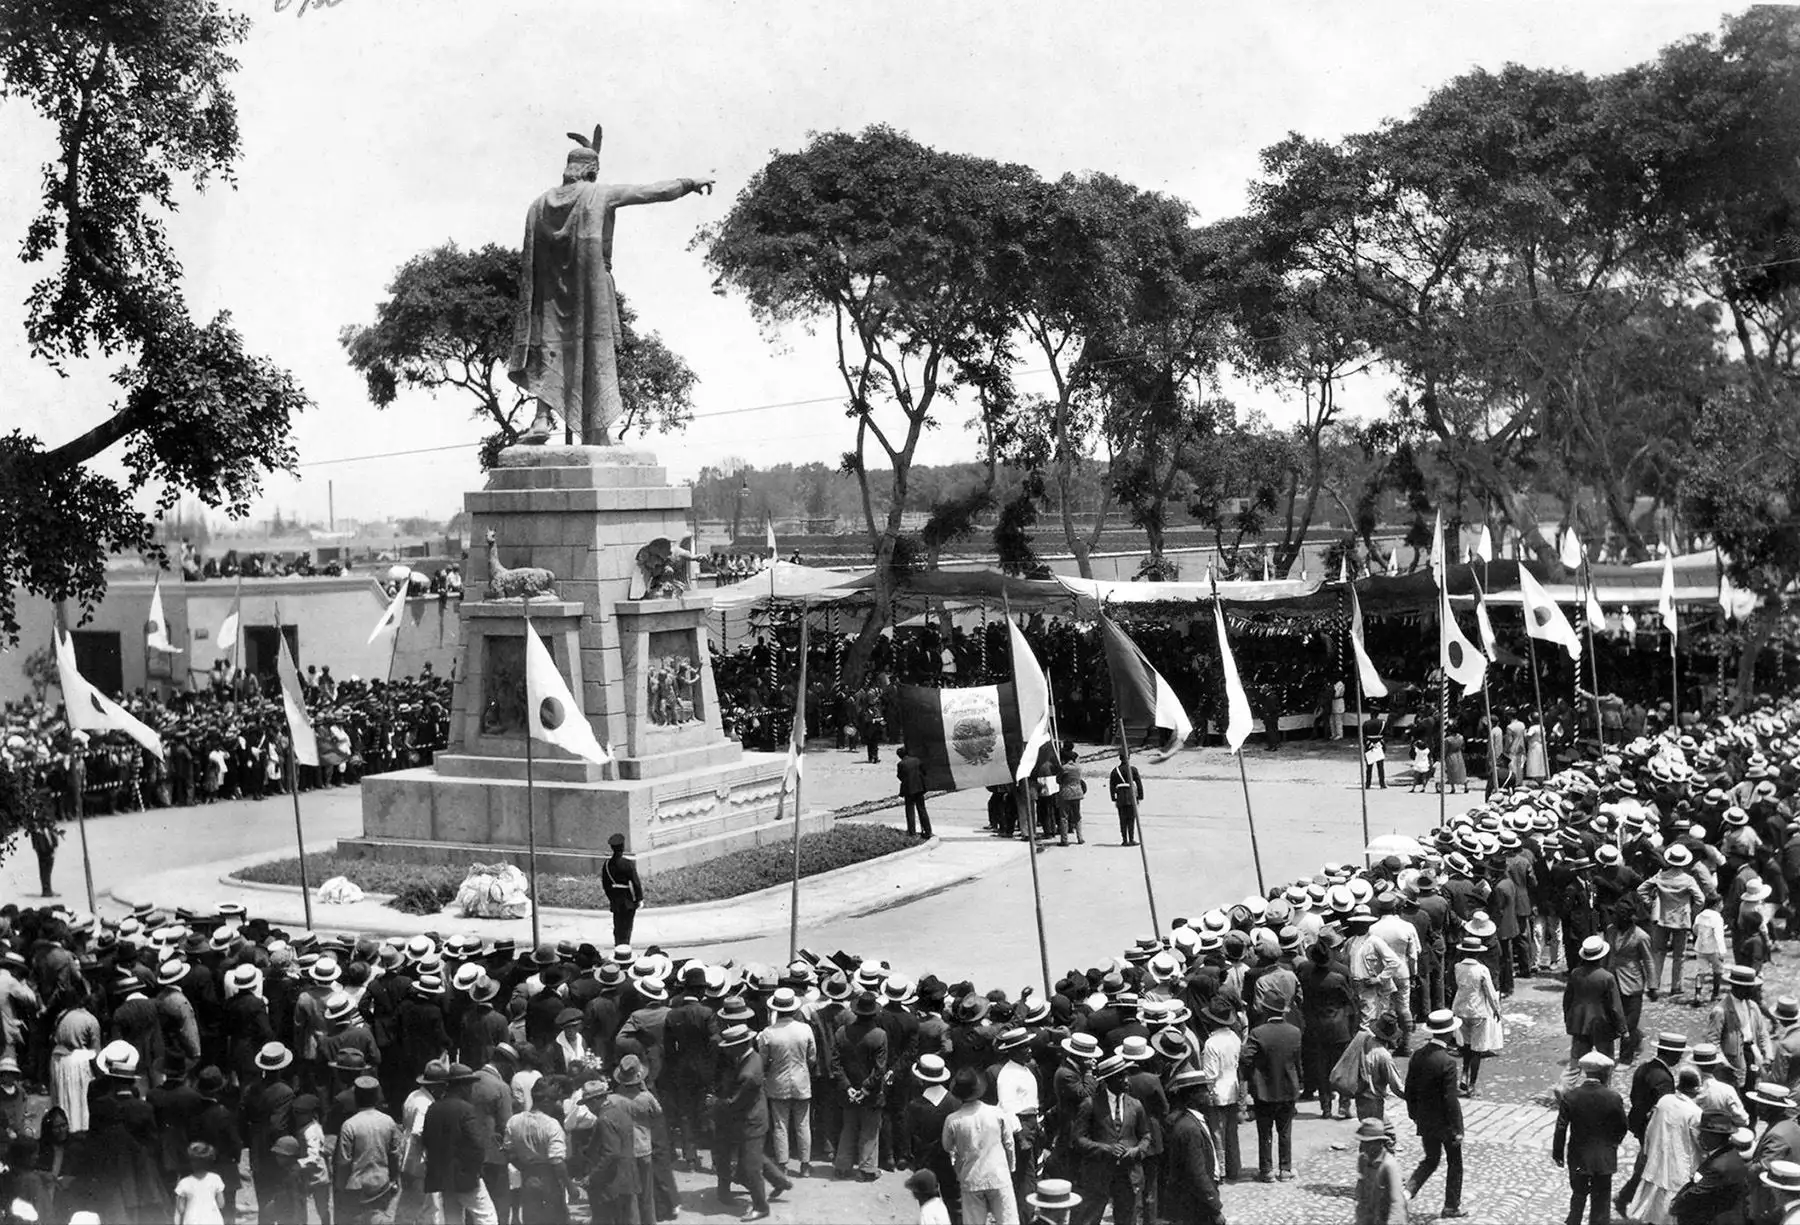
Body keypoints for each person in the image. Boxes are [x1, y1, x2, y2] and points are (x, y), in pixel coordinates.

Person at [507, 130, 713, 445]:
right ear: (592, 172)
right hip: (587, 291)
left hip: (549, 294)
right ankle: (595, 429)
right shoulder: (599, 194)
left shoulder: (538, 205)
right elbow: (649, 191)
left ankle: (541, 418)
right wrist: (688, 184)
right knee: (591, 349)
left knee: (551, 346)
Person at [1553, 1051, 1628, 1225]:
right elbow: (1622, 1126)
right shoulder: (1613, 1097)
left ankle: (1574, 1221)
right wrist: (1614, 1144)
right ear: (1604, 1073)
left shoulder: (1571, 1096)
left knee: (1578, 1195)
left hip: (1579, 1156)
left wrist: (1558, 1153)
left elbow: (1561, 1127)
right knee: (1601, 1200)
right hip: (1604, 1158)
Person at [1069, 1056, 1145, 1225]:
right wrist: (1104, 1148)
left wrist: (1136, 1150)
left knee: (1128, 1218)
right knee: (1088, 1218)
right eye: (1120, 1077)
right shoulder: (1090, 1104)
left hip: (1127, 1174)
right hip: (1098, 1173)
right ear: (1108, 1081)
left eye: (1126, 1075)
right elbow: (1078, 1139)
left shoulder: (1136, 1105)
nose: (1126, 1081)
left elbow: (1146, 1136)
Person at [1404, 1010, 1464, 1219]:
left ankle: (1406, 1192)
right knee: (1454, 1163)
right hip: (1445, 1123)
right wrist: (1457, 1128)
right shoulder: (1447, 1062)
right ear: (1449, 1033)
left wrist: (1414, 1115)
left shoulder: (1418, 1055)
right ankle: (1451, 1205)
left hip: (1425, 1120)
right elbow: (1450, 1099)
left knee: (1430, 1159)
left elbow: (1409, 1088)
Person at [942, 1067, 1019, 1225]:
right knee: (1008, 1220)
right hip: (998, 1174)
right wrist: (1010, 1167)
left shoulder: (953, 1120)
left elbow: (947, 1146)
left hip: (971, 1178)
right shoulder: (996, 1113)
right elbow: (1009, 1143)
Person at [423, 1063, 498, 1225]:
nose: (472, 1090)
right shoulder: (466, 1109)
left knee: (453, 1219)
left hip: (442, 1177)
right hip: (466, 1177)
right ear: (463, 1086)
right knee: (487, 1217)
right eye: (470, 1085)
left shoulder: (433, 1108)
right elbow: (476, 1144)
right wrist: (476, 1170)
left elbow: (427, 1141)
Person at [1628, 1067, 1703, 1225]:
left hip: (1658, 1160)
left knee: (1652, 1205)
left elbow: (1650, 1129)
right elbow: (1700, 1141)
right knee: (1670, 1210)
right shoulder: (1695, 1112)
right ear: (1696, 1089)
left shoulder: (1665, 1100)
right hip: (1680, 1167)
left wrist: (1646, 1151)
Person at [1239, 1000, 1303, 1183]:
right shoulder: (1294, 1032)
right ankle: (1285, 1169)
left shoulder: (1258, 1033)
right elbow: (1297, 1061)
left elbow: (1246, 1058)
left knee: (1264, 1131)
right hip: (1288, 1087)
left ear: (1266, 1011)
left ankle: (1266, 1170)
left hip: (1264, 1089)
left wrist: (1252, 1075)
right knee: (1285, 1130)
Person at [1161, 1067, 1224, 1225]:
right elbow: (1197, 1172)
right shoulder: (1190, 1129)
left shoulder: (1191, 1120)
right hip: (1196, 1201)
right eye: (1204, 1090)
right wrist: (1215, 1207)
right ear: (1192, 1095)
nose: (1210, 1093)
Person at [335, 1075, 401, 1225]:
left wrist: (340, 1187)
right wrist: (394, 1180)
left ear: (356, 1098)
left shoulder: (349, 1125)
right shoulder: (388, 1121)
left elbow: (344, 1162)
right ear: (377, 1098)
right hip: (381, 1185)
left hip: (356, 1189)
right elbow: (394, 1155)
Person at [1671, 1109, 1752, 1224]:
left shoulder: (1720, 1166)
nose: (1699, 1138)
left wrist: (1676, 1205)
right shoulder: (1726, 1153)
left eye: (1703, 1134)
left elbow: (1697, 1193)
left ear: (1716, 1137)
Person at [1353, 1117, 1408, 1225]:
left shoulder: (1389, 1166)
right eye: (1362, 1142)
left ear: (1379, 1143)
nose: (1363, 1147)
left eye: (1367, 1143)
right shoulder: (1363, 1160)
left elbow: (1396, 1203)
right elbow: (1362, 1196)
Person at [599, 834, 643, 947]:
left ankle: (618, 947)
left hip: (615, 901)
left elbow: (606, 885)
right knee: (627, 928)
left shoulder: (607, 864)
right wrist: (639, 899)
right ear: (622, 847)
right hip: (628, 901)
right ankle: (625, 949)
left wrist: (611, 898)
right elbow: (635, 882)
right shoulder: (627, 863)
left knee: (617, 927)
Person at [175, 1141, 226, 1225]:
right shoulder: (215, 1179)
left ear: (191, 1162)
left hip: (192, 1220)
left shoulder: (184, 1183)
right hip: (213, 1219)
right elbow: (221, 1204)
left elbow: (181, 1209)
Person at [898, 748, 934, 839]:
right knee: (922, 810)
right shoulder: (917, 760)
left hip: (908, 789)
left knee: (910, 811)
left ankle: (912, 832)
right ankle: (928, 830)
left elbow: (900, 776)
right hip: (919, 788)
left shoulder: (901, 764)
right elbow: (924, 771)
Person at [1109, 754, 1144, 847]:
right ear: (1128, 757)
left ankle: (1124, 840)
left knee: (1122, 819)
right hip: (1131, 795)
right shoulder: (1133, 769)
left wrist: (1113, 797)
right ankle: (1131, 839)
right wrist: (1140, 796)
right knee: (1131, 818)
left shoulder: (1115, 771)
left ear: (1120, 758)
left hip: (1120, 796)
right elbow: (1139, 784)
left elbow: (1112, 786)